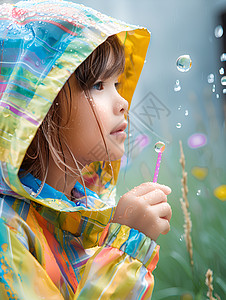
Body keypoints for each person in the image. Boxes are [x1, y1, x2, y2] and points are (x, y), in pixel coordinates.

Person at [0, 0, 172, 299]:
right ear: (37, 104)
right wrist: (122, 251)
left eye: (118, 83)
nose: (123, 102)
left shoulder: (84, 212)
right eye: (97, 85)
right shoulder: (8, 231)